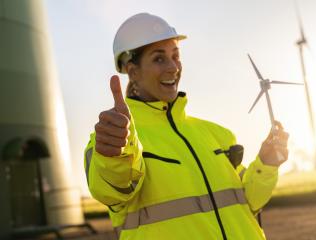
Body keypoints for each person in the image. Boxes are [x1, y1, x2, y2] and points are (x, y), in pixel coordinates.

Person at [84, 12, 289, 240]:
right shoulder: (116, 139)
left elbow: (247, 203)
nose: (173, 67)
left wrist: (266, 164)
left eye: (176, 55)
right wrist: (113, 156)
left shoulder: (217, 134)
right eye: (159, 59)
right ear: (133, 71)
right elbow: (110, 187)